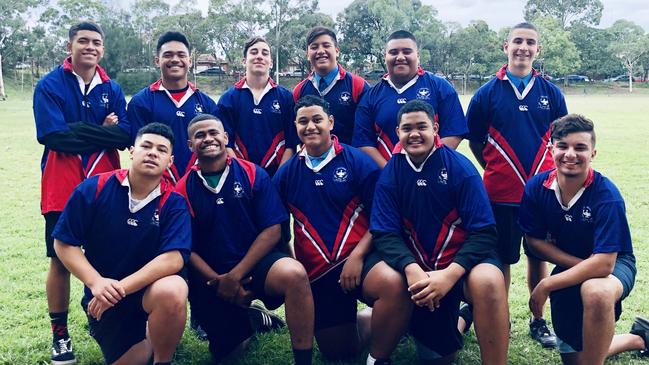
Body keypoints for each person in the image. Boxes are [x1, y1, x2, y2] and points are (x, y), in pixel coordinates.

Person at [273, 95, 411, 364]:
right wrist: (291, 262)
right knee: (339, 352)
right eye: (303, 121)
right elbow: (277, 227)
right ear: (295, 126)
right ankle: (380, 320)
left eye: (317, 119)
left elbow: (382, 218)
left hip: (361, 260)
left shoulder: (358, 162)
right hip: (318, 271)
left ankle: (378, 357)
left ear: (331, 122)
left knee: (394, 285)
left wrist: (357, 258)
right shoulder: (286, 173)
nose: (310, 126)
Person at [370, 100, 509, 364]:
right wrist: (412, 270)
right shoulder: (391, 173)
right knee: (438, 358)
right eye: (406, 128)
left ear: (435, 128)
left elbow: (485, 232)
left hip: (463, 264)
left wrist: (449, 275)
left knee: (489, 280)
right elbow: (384, 233)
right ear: (397, 132)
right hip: (421, 271)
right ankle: (461, 318)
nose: (414, 134)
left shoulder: (461, 168)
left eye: (421, 126)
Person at [176, 114, 314, 364]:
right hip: (212, 276)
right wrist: (219, 282)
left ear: (225, 138)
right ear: (189, 145)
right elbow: (186, 247)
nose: (208, 139)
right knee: (229, 355)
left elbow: (273, 229)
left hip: (257, 264)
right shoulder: (183, 188)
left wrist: (235, 276)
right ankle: (253, 318)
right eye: (200, 135)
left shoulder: (253, 174)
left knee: (294, 274)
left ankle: (303, 360)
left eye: (213, 133)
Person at [33, 21, 131, 365]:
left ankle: (110, 321)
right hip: (61, 186)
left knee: (109, 255)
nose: (90, 47)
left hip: (106, 186)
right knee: (60, 259)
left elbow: (126, 136)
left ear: (102, 49)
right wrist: (102, 130)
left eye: (96, 43)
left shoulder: (112, 87)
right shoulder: (49, 85)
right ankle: (60, 335)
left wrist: (80, 129)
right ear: (70, 45)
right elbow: (52, 135)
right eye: (84, 41)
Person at [464, 21, 568, 348]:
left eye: (530, 43)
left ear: (538, 49)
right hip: (501, 196)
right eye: (517, 41)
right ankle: (501, 318)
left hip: (542, 195)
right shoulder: (486, 94)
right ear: (505, 46)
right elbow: (477, 143)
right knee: (503, 259)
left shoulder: (551, 93)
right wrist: (499, 169)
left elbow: (562, 141)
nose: (523, 48)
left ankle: (538, 320)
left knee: (539, 257)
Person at [52, 123, 191, 365]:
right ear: (132, 151)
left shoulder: (174, 202)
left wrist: (122, 288)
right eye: (146, 146)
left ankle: (163, 358)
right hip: (103, 300)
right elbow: (64, 243)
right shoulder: (94, 188)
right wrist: (96, 282)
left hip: (144, 293)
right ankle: (151, 335)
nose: (152, 153)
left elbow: (174, 258)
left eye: (161, 150)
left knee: (173, 287)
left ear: (170, 161)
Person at [520, 114, 636, 365]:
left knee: (596, 290)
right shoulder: (536, 188)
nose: (570, 154)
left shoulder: (607, 195)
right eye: (562, 146)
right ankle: (638, 339)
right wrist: (582, 265)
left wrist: (547, 285)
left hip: (616, 263)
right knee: (575, 359)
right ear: (551, 149)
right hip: (575, 262)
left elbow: (604, 265)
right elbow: (534, 242)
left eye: (580, 147)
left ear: (593, 153)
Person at [352, 30, 466, 168]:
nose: (400, 57)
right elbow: (364, 143)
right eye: (393, 52)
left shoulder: (441, 87)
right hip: (388, 180)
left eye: (406, 51)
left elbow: (453, 133)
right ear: (385, 56)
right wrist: (392, 174)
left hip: (434, 176)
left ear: (417, 56)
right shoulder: (370, 96)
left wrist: (428, 167)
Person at [128, 31, 219, 184]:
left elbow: (216, 150)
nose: (175, 60)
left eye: (181, 55)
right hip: (156, 187)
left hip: (199, 184)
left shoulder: (207, 104)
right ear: (157, 60)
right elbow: (139, 151)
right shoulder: (141, 102)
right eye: (168, 55)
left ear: (190, 61)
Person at [216, 36, 297, 176]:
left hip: (276, 178)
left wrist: (278, 179)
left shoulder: (285, 98)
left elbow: (291, 145)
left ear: (271, 63)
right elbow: (225, 144)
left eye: (265, 53)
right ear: (244, 61)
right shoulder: (228, 99)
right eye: (254, 52)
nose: (259, 56)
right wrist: (243, 177)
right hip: (240, 178)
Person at [292, 26, 369, 144]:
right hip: (312, 160)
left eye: (326, 45)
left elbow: (366, 133)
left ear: (337, 51)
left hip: (349, 159)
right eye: (314, 47)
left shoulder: (357, 86)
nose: (321, 51)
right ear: (308, 54)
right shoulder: (299, 91)